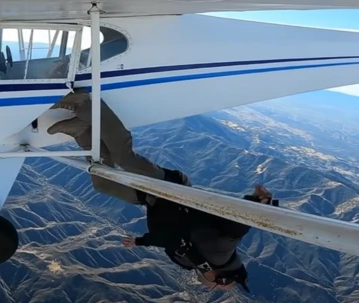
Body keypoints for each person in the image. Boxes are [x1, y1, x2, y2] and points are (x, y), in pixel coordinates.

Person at [46, 91, 275, 292]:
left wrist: (140, 241)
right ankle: (86, 103)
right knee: (126, 159)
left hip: (154, 200)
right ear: (221, 278)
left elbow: (168, 239)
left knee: (103, 183)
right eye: (217, 287)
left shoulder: (191, 263)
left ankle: (83, 132)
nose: (209, 288)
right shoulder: (220, 252)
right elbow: (238, 224)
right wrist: (261, 204)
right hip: (170, 189)